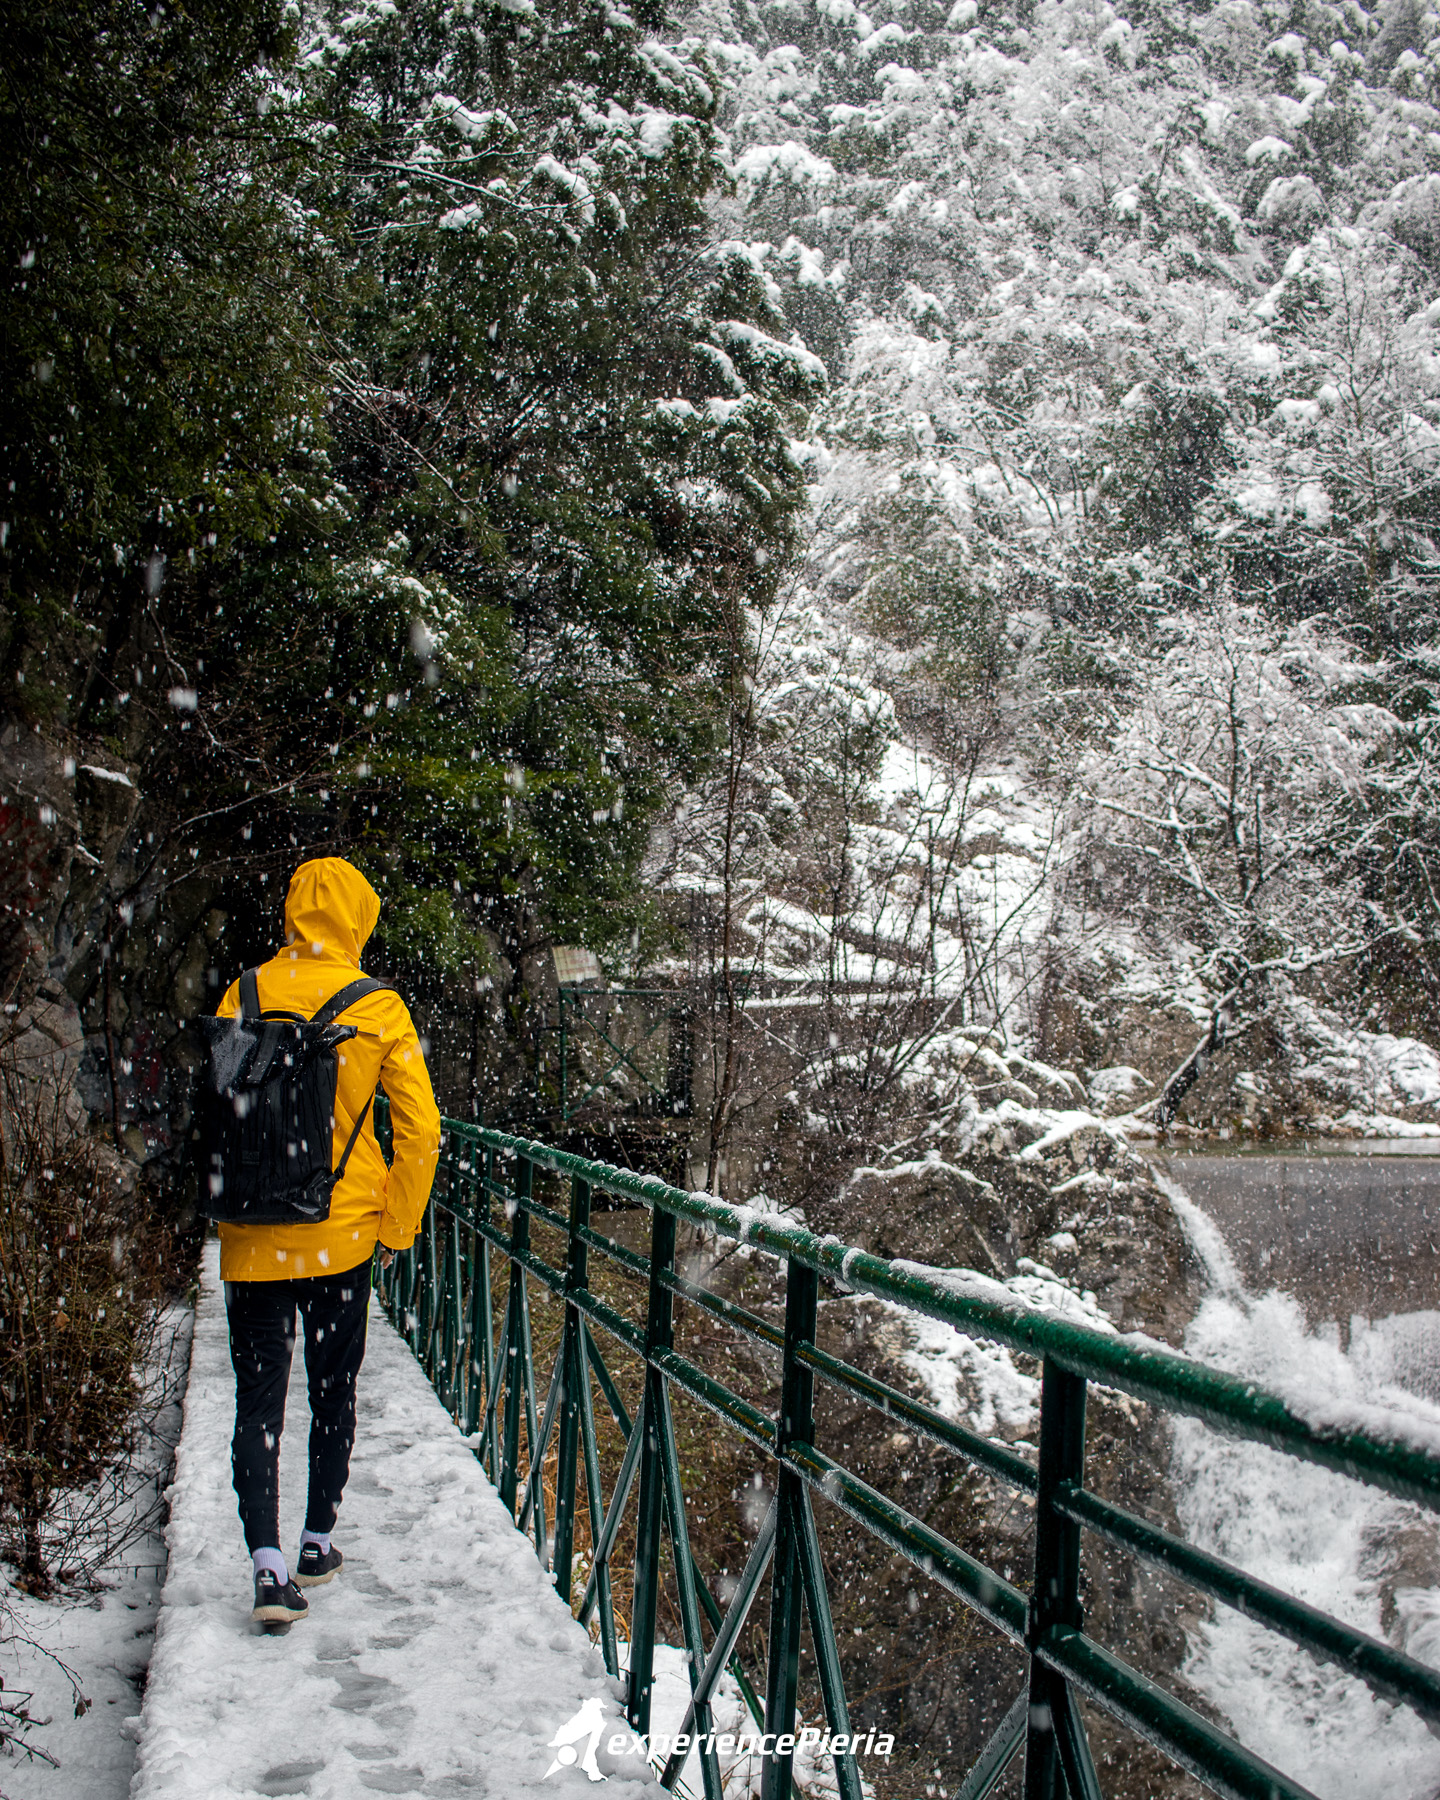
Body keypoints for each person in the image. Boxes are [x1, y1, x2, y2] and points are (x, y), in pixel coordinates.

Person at [213, 856, 441, 1624]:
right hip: (341, 1238)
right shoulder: (378, 1008)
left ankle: (266, 1566)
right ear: (359, 918)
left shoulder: (242, 993)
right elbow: (422, 1133)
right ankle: (315, 1541)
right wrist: (396, 1227)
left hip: (252, 1232)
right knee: (331, 1389)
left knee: (259, 1399)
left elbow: (223, 1115)